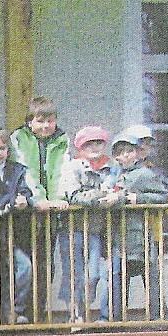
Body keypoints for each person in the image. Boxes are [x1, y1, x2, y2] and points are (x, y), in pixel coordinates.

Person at [9, 97, 71, 318]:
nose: (46, 126)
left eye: (50, 121)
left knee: (46, 263)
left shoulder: (62, 140)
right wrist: (38, 200)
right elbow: (24, 170)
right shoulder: (18, 139)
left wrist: (58, 199)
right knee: (24, 263)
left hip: (51, 212)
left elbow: (63, 171)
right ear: (30, 122)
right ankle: (14, 310)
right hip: (26, 211)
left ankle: (37, 311)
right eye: (40, 121)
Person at [58, 125, 122, 323]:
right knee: (74, 273)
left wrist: (115, 197)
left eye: (99, 143)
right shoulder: (73, 166)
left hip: (95, 229)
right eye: (89, 144)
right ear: (80, 147)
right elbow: (73, 195)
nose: (94, 147)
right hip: (72, 228)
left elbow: (119, 189)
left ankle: (83, 307)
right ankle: (75, 315)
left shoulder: (112, 167)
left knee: (93, 275)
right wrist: (102, 195)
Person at [107, 133, 168, 321]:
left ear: (137, 153)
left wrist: (138, 199)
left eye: (129, 151)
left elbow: (163, 197)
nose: (125, 155)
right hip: (117, 234)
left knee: (150, 275)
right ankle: (117, 318)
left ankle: (157, 317)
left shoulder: (145, 174)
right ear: (115, 156)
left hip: (141, 234)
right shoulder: (113, 175)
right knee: (118, 276)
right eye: (120, 152)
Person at [0, 126, 34, 325]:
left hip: (16, 231)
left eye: (2, 148)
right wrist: (11, 201)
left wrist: (24, 199)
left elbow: (26, 191)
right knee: (8, 270)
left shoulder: (17, 170)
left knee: (23, 268)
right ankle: (7, 311)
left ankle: (14, 309)